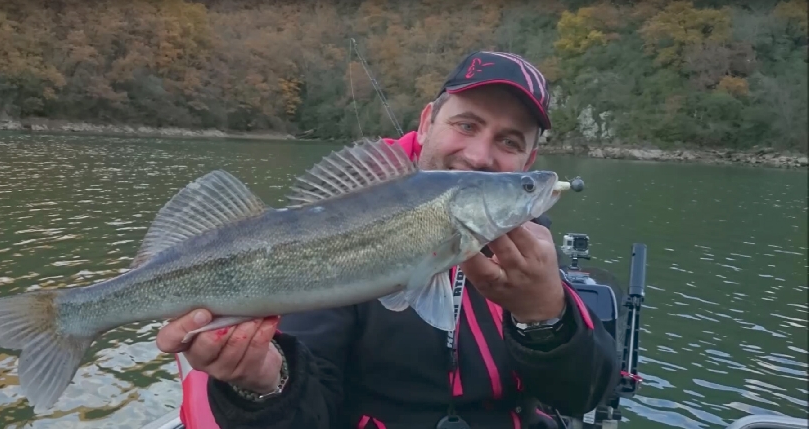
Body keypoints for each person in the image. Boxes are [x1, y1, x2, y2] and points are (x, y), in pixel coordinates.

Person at [155, 51, 620, 429]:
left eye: (510, 142)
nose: (480, 156)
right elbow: (309, 405)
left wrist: (544, 316)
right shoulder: (354, 219)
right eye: (466, 125)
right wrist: (264, 380)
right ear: (428, 120)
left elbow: (583, 395)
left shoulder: (531, 252)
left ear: (528, 159)